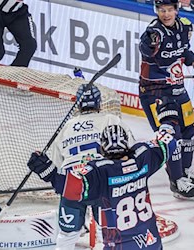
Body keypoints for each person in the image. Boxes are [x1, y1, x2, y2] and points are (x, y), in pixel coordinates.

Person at [27, 96, 181, 249]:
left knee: (70, 233)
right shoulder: (144, 157)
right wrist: (168, 118)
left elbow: (71, 188)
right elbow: (169, 140)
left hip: (120, 246)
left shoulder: (100, 171)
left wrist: (48, 171)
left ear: (102, 148)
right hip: (151, 242)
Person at [138, 0, 194, 201]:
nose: (165, 14)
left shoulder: (185, 26)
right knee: (171, 135)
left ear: (176, 10)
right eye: (161, 10)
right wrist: (147, 44)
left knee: (189, 129)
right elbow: (146, 50)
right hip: (155, 91)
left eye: (169, 10)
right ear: (157, 11)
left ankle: (185, 169)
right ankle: (177, 180)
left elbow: (184, 52)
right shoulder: (154, 33)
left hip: (177, 88)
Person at [49, 76, 135, 249]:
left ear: (78, 105)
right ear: (99, 103)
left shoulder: (66, 127)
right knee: (109, 235)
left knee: (66, 236)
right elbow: (131, 152)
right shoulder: (112, 120)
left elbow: (56, 165)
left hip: (73, 185)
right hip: (102, 184)